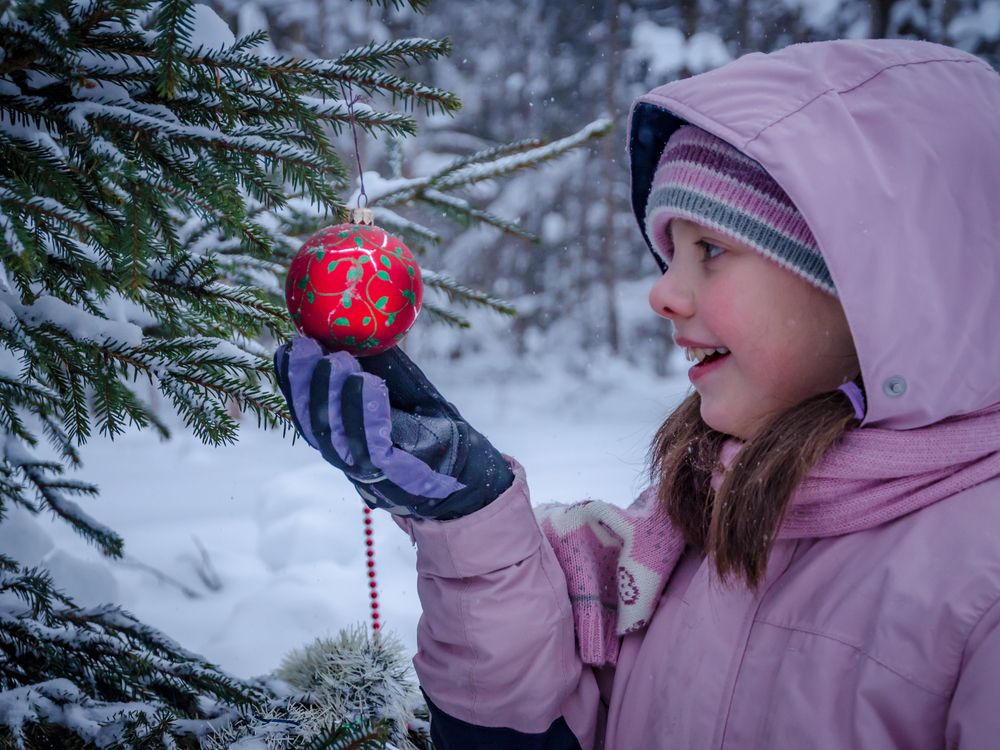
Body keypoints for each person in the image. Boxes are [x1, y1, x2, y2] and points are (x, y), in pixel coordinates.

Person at [273, 37, 1000, 749]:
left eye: (710, 250)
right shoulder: (683, 525)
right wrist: (471, 516)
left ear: (882, 288)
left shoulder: (979, 586)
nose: (662, 293)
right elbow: (542, 719)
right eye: (671, 252)